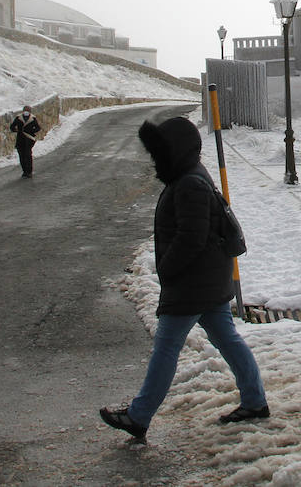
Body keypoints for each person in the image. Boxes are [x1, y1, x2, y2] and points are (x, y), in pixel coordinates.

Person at [99, 116, 268, 444]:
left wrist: (168, 268)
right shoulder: (191, 175)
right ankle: (255, 401)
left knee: (166, 347)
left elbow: (192, 236)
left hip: (193, 283)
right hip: (207, 279)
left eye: (159, 151)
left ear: (174, 150)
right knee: (228, 340)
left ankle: (139, 416)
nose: (155, 159)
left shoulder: (189, 182)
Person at [9, 105, 40, 178]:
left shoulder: (33, 118)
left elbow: (38, 128)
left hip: (29, 139)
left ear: (29, 112)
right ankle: (24, 171)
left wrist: (31, 131)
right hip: (20, 139)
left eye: (27, 111)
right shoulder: (18, 118)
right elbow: (12, 127)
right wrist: (16, 130)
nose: (26, 112)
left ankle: (29, 171)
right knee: (21, 156)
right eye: (25, 111)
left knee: (28, 155)